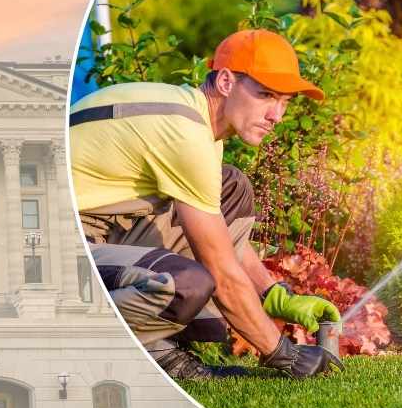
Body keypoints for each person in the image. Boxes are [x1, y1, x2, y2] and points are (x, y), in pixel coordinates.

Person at [71, 28, 343, 379]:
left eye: (285, 102)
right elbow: (221, 271)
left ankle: (152, 345)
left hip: (102, 227)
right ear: (227, 82)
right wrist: (282, 352)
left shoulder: (196, 122)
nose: (277, 115)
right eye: (265, 95)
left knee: (231, 186)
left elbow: (223, 242)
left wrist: (274, 294)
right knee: (184, 283)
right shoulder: (183, 133)